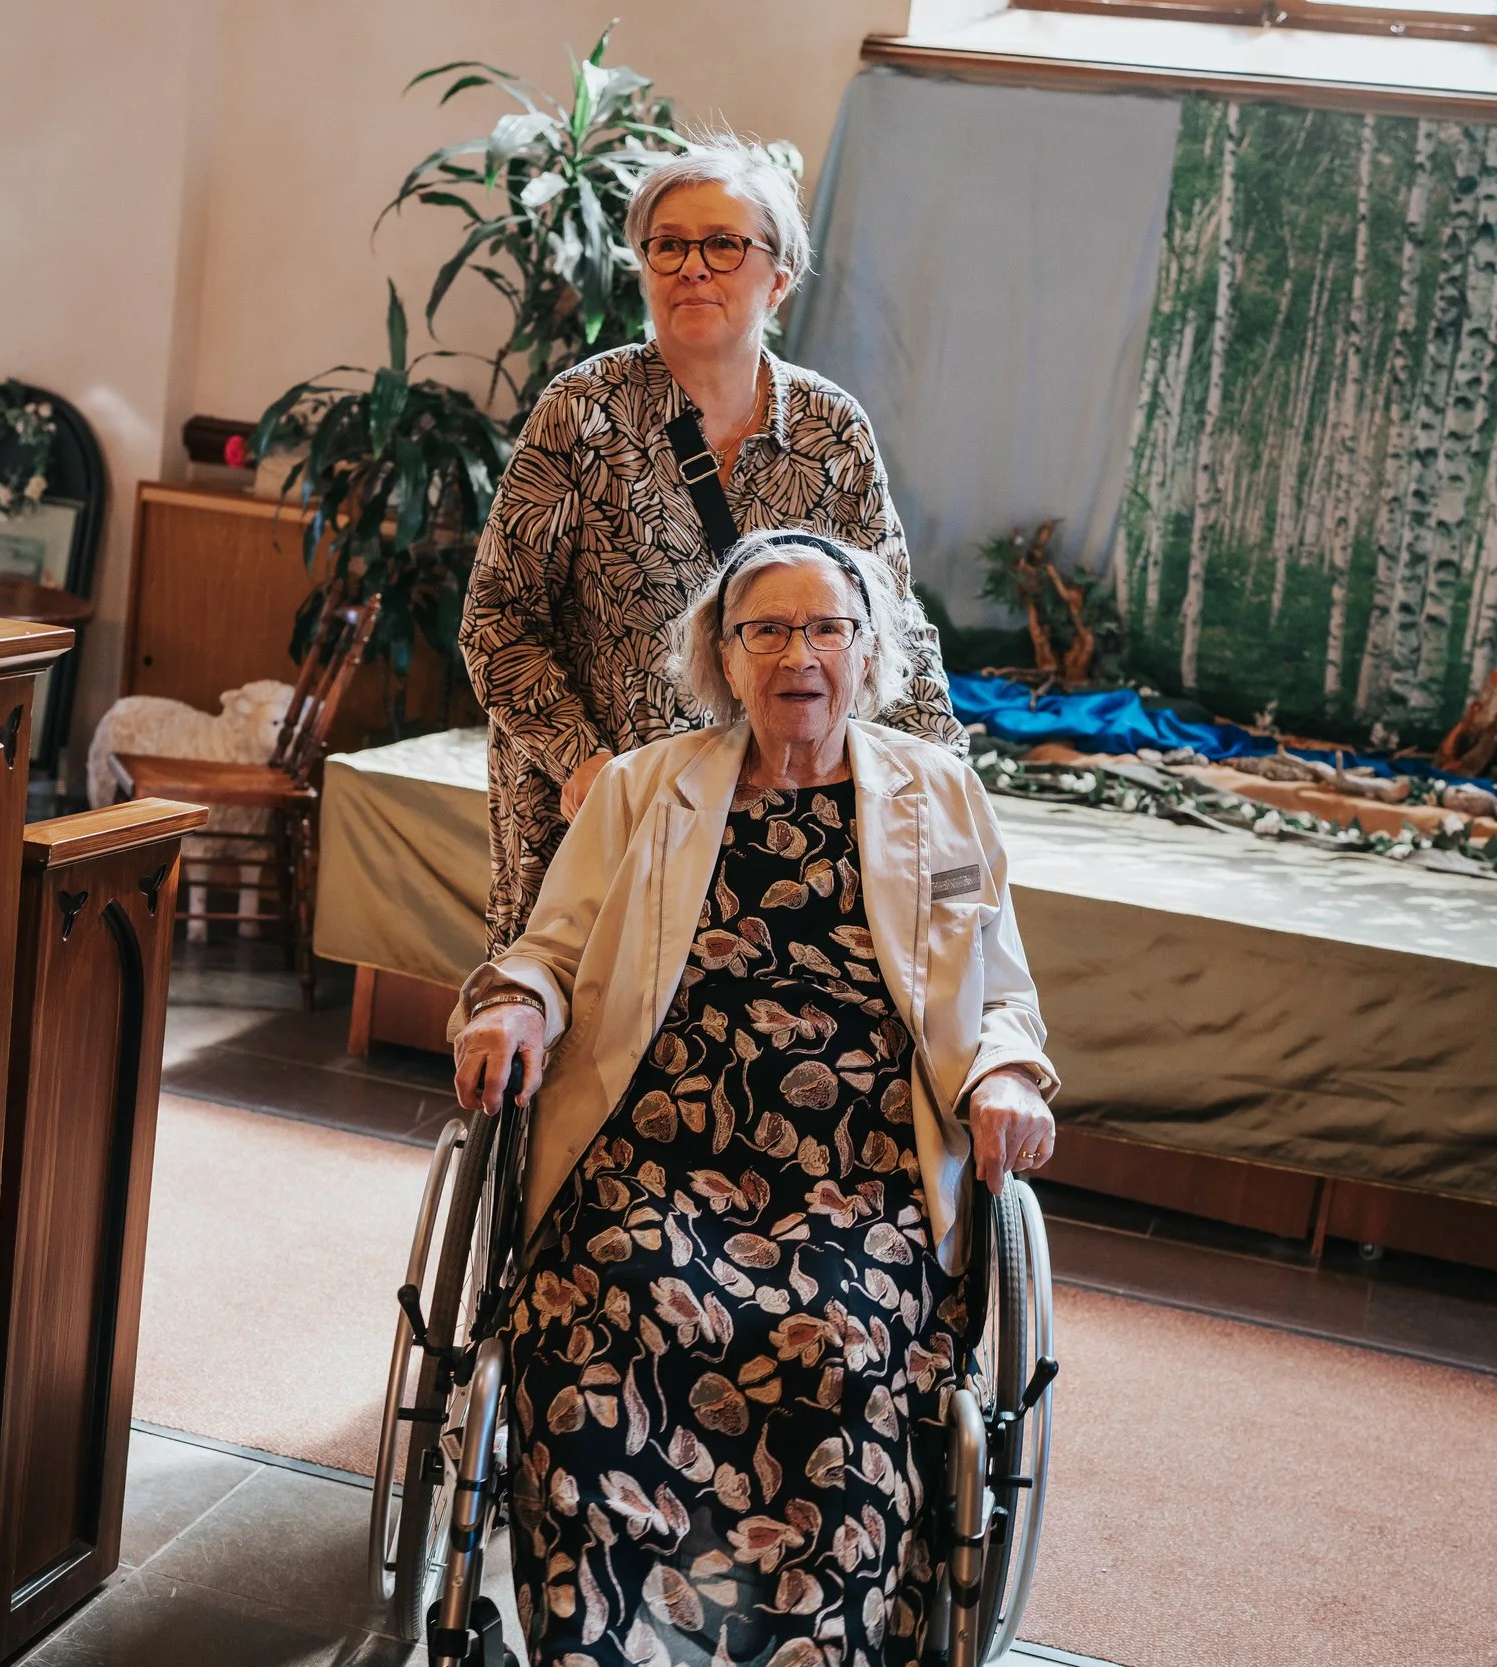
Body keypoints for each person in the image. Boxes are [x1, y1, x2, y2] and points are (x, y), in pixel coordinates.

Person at [452, 531, 1059, 1667]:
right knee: (605, 1310)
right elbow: (552, 946)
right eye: (766, 629)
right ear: (722, 657)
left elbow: (999, 987)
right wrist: (514, 1005)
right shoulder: (645, 788)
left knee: (839, 1343)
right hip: (654, 1145)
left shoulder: (941, 796)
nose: (799, 654)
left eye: (826, 626)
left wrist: (1010, 1072)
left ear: (867, 649)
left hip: (862, 1167)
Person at [461, 137, 967, 955]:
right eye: (669, 245)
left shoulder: (830, 428)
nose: (692, 266)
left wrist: (947, 785)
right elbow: (497, 622)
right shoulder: (581, 411)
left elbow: (892, 631)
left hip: (777, 824)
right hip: (606, 818)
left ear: (779, 276)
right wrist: (582, 762)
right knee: (576, 1047)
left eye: (723, 243)